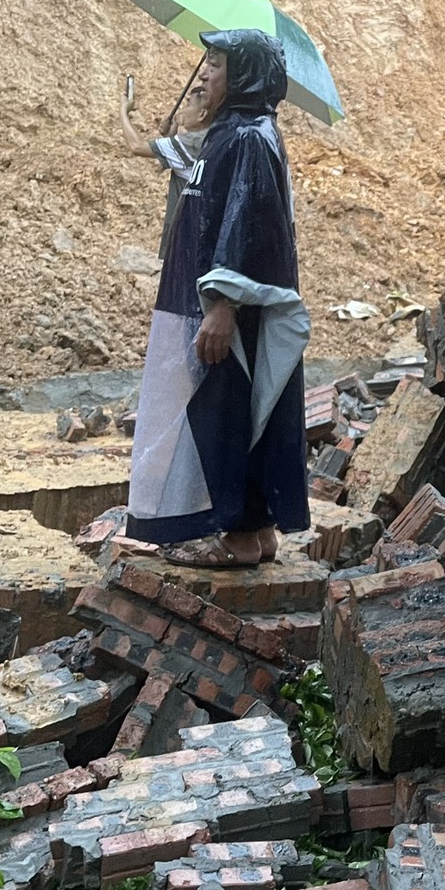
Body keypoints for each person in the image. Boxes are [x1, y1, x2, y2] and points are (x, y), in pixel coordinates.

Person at [125, 29, 312, 565]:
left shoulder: (251, 137)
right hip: (209, 305)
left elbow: (249, 224)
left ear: (246, 75)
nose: (205, 72)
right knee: (239, 412)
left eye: (219, 62)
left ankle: (235, 538)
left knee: (226, 412)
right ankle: (256, 529)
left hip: (226, 312)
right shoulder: (230, 134)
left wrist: (225, 305)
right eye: (206, 59)